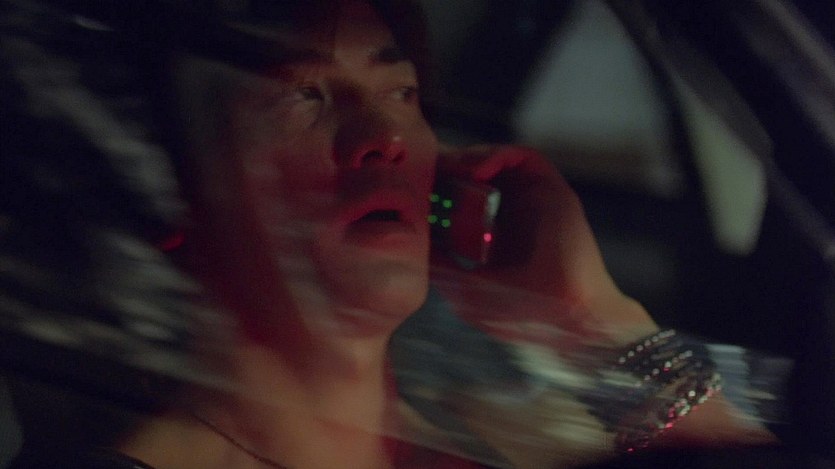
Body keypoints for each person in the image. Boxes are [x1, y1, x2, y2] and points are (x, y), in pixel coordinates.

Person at [2, 0, 778, 468]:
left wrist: (597, 320)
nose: (384, 137)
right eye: (303, 95)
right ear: (171, 187)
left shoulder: (508, 437)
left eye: (400, 91)